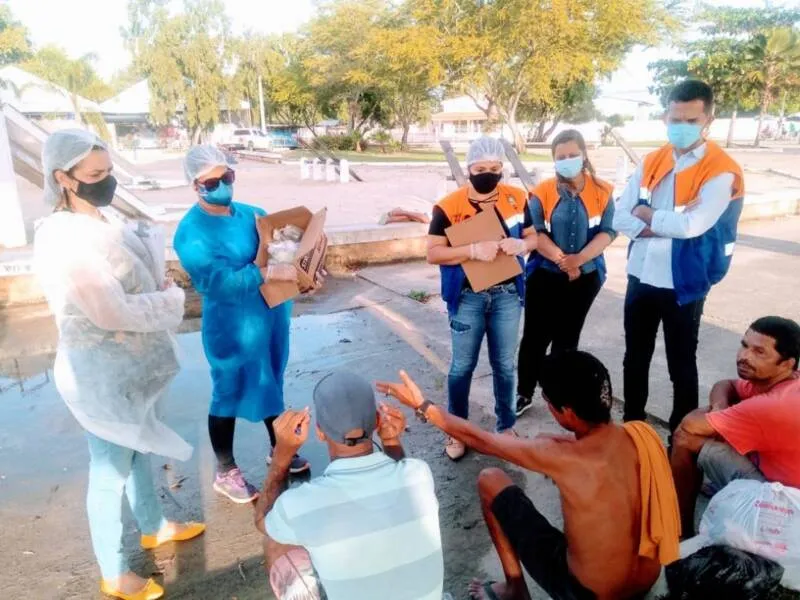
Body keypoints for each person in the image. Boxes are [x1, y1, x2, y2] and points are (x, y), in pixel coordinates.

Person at [34, 130, 204, 600]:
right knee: (110, 471)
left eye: (109, 171)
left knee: (139, 448)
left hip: (133, 364)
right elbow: (109, 311)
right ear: (63, 178)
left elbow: (130, 282)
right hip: (101, 373)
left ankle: (153, 526)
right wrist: (168, 300)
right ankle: (113, 571)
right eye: (95, 174)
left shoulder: (103, 220)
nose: (106, 181)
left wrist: (155, 281)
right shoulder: (62, 237)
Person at [379, 351, 681, 600]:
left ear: (567, 412)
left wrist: (422, 405)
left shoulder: (560, 457)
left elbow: (482, 440)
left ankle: (515, 589)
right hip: (646, 580)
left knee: (490, 479)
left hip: (588, 594)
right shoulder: (640, 435)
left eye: (547, 402)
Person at [174, 145, 313, 504]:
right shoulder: (191, 233)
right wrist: (263, 272)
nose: (222, 185)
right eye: (211, 182)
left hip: (270, 315)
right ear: (195, 185)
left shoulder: (254, 215)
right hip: (232, 325)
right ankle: (226, 470)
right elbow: (216, 284)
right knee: (228, 390)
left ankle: (279, 448)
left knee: (270, 380)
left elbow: (285, 252)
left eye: (227, 176)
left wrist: (305, 271)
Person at [613, 79, 745, 435]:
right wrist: (657, 225)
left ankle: (682, 437)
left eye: (691, 121)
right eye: (675, 120)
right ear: (665, 117)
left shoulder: (720, 170)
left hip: (684, 282)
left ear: (708, 121)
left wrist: (647, 216)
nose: (681, 127)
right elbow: (619, 214)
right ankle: (633, 428)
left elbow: (693, 225)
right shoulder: (653, 160)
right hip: (641, 275)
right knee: (635, 357)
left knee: (681, 363)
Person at [254, 371, 444, 600]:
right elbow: (399, 480)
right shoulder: (419, 473)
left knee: (275, 540)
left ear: (319, 433)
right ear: (377, 421)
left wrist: (282, 455)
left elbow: (263, 520)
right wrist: (391, 441)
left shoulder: (300, 505)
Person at [427, 136, 538, 460]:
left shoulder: (518, 198)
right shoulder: (449, 206)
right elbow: (433, 252)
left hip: (507, 295)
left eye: (494, 168)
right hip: (467, 297)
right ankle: (457, 430)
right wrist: (472, 250)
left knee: (504, 365)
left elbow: (534, 237)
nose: (488, 174)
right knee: (462, 366)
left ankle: (506, 427)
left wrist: (523, 245)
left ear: (502, 168)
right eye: (480, 169)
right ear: (469, 169)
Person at [516, 129, 616, 416]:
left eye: (572, 154)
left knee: (567, 338)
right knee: (535, 337)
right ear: (554, 160)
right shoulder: (542, 192)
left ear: (584, 155)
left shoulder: (604, 191)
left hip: (586, 276)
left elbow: (608, 232)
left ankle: (557, 394)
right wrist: (564, 261)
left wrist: (579, 260)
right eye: (561, 157)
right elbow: (536, 233)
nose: (567, 160)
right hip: (545, 274)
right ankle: (524, 392)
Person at [671, 316, 800, 536]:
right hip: (783, 477)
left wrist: (715, 416)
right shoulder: (782, 381)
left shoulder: (771, 405)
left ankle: (679, 528)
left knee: (684, 439)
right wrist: (720, 408)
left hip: (786, 500)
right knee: (719, 426)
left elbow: (690, 425)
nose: (744, 356)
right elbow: (725, 384)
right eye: (744, 345)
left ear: (787, 364)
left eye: (759, 352)